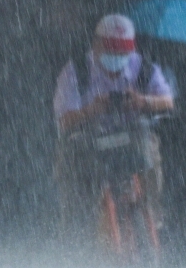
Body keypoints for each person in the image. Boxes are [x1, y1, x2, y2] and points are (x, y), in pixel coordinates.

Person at [52, 14, 174, 236]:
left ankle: (154, 217)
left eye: (122, 52)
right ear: (96, 46)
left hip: (131, 139)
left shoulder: (144, 68)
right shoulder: (76, 71)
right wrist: (92, 110)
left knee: (150, 150)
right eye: (111, 51)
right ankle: (72, 226)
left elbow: (168, 101)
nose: (117, 57)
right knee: (69, 157)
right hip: (89, 140)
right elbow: (64, 120)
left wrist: (142, 101)